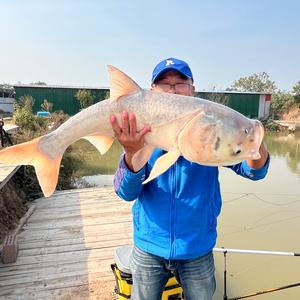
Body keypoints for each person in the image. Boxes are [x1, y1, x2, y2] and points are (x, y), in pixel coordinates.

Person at [110, 58, 270, 300]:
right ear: (152, 91)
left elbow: (254, 171)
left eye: (181, 82)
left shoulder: (212, 133)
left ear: (193, 89)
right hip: (148, 247)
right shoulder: (139, 132)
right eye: (164, 83)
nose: (173, 89)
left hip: (197, 249)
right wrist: (132, 152)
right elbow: (125, 192)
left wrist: (254, 143)